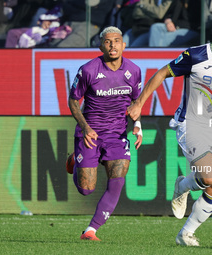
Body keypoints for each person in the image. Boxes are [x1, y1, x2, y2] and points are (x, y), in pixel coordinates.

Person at [127, 9, 212, 246]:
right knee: (209, 176)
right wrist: (139, 103)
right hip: (190, 122)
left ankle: (185, 234)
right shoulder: (195, 55)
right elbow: (161, 73)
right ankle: (183, 185)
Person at [66, 26, 142, 241]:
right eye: (108, 41)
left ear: (123, 45)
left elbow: (136, 101)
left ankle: (91, 230)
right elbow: (73, 100)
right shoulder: (88, 70)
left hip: (117, 134)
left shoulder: (134, 70)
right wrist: (85, 127)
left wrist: (137, 124)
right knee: (86, 189)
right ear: (101, 46)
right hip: (89, 133)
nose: (112, 45)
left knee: (119, 175)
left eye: (117, 40)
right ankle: (75, 159)